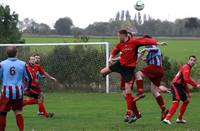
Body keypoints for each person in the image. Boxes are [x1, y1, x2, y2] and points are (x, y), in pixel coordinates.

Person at [100, 29, 158, 123]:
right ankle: (136, 112)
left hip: (128, 70)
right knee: (102, 72)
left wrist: (156, 42)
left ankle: (130, 112)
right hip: (120, 65)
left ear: (125, 35)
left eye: (119, 35)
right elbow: (115, 50)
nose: (118, 37)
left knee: (127, 93)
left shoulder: (134, 42)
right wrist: (111, 58)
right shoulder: (121, 44)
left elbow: (145, 41)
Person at [135, 42, 169, 121]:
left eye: (146, 43)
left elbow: (155, 48)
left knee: (138, 74)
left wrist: (145, 49)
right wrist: (143, 57)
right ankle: (163, 109)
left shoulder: (154, 47)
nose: (145, 44)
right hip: (159, 71)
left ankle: (140, 92)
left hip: (155, 68)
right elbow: (148, 59)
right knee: (154, 90)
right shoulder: (150, 53)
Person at [163, 55, 200, 125]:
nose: (192, 61)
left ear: (195, 62)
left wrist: (188, 92)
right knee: (176, 102)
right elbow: (186, 79)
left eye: (194, 60)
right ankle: (167, 119)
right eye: (191, 60)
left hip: (179, 86)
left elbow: (184, 81)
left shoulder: (188, 67)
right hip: (175, 85)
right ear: (188, 60)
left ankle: (179, 119)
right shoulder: (186, 67)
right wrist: (196, 85)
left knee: (186, 101)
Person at [0, 46, 29, 131]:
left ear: (7, 54)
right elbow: (28, 78)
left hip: (6, 92)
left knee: (2, 113)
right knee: (18, 112)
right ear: (17, 53)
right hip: (18, 92)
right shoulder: (23, 64)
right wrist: (27, 88)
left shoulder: (2, 64)